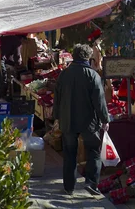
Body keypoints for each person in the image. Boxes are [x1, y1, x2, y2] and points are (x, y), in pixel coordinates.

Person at [53, 43, 109, 196]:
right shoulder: (93, 76)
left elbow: (56, 98)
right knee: (93, 151)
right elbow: (99, 101)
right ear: (88, 57)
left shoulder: (64, 74)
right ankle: (91, 183)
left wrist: (56, 117)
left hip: (68, 120)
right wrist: (105, 119)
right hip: (89, 122)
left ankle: (69, 187)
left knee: (69, 153)